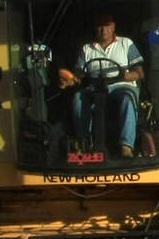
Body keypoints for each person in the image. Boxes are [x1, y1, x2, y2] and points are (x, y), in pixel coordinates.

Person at [59, 14, 144, 156]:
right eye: (100, 26)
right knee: (78, 98)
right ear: (95, 29)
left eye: (106, 25)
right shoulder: (86, 49)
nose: (103, 30)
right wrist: (70, 79)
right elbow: (79, 75)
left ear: (113, 27)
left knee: (128, 98)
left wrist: (125, 76)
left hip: (122, 85)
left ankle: (126, 146)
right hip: (95, 87)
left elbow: (140, 73)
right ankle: (85, 142)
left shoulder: (126, 43)